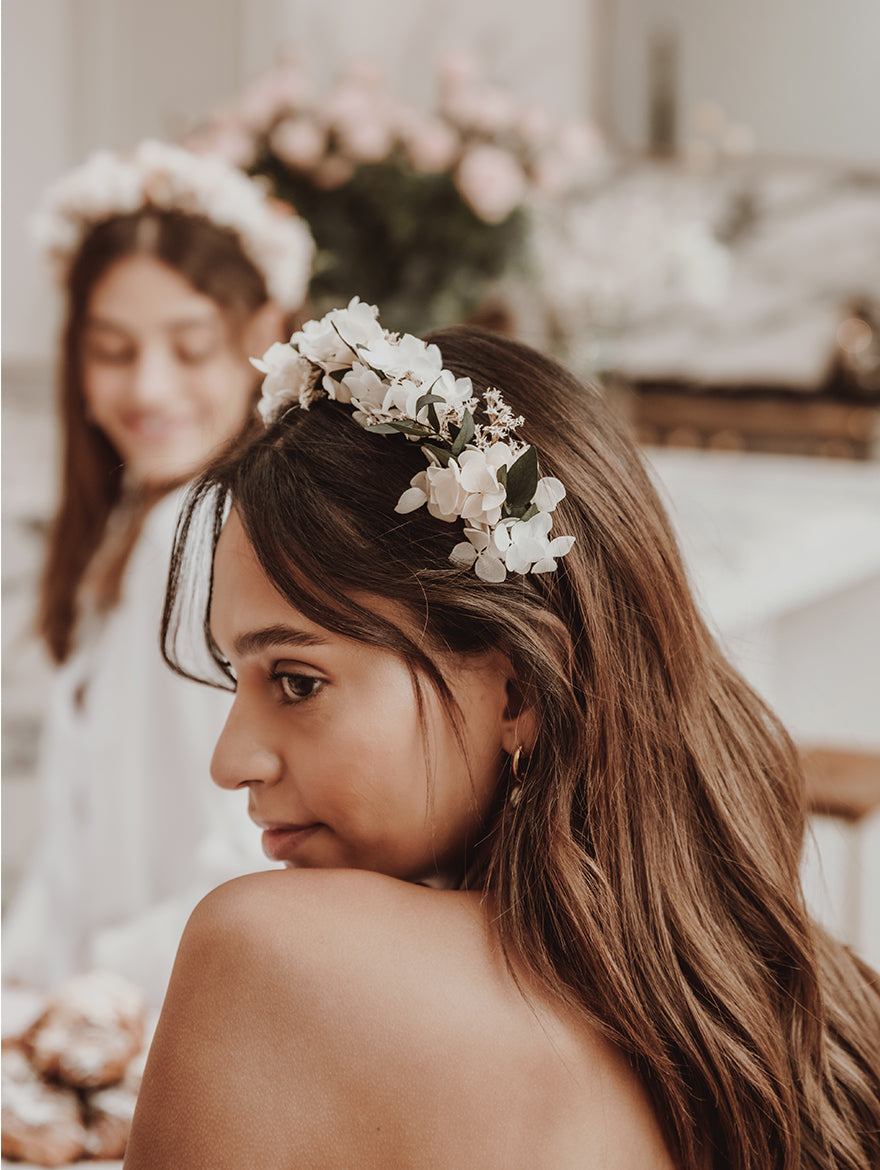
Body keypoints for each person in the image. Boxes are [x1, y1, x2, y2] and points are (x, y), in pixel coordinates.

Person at [126, 301, 880, 1168]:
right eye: (235, 680)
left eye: (298, 682)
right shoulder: (805, 1020)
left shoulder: (269, 955)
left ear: (517, 688)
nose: (231, 761)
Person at [2, 141, 315, 1005]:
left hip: (164, 998)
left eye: (189, 347)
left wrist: (89, 992)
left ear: (262, 340)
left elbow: (242, 846)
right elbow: (78, 844)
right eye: (111, 350)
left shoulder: (204, 530)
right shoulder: (137, 525)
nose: (148, 387)